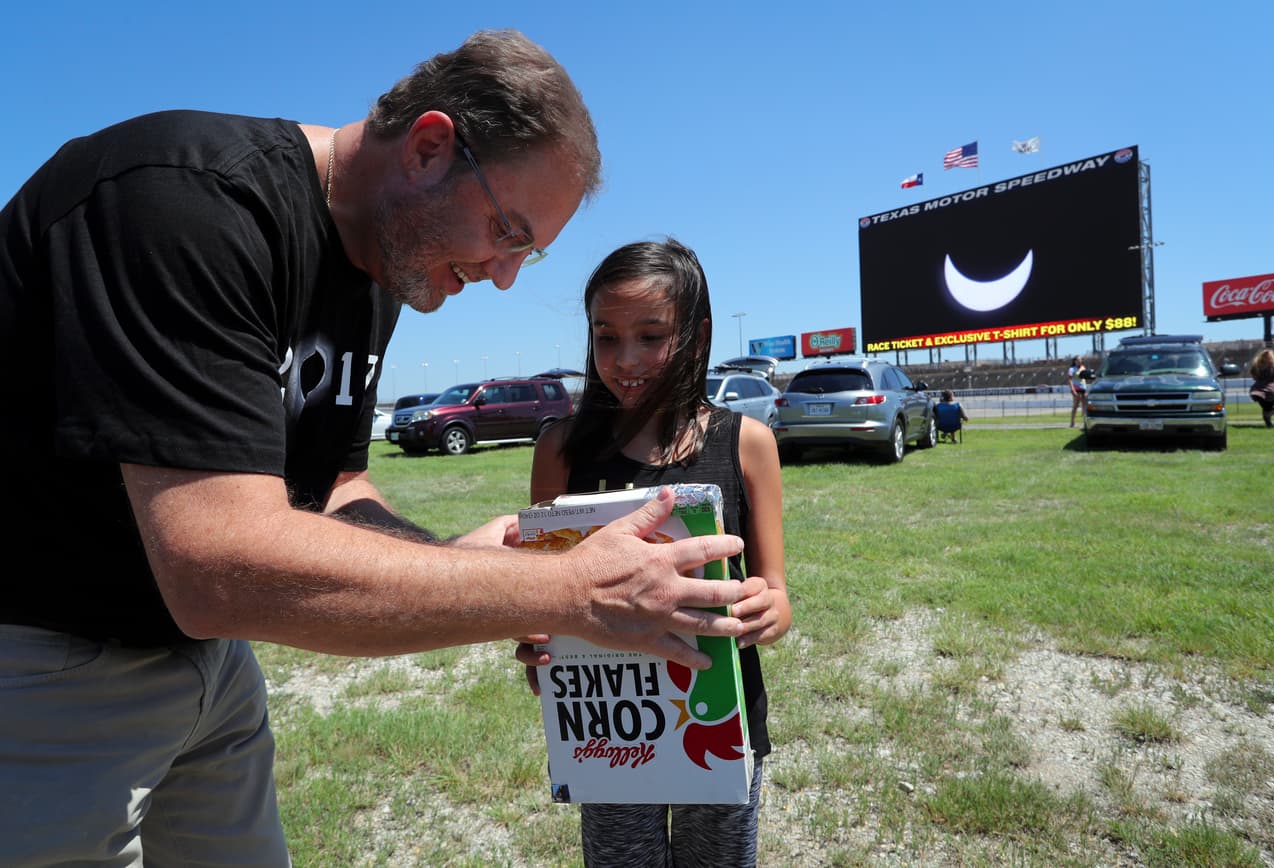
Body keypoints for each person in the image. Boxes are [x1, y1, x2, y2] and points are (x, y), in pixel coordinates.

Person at [0, 32, 760, 865]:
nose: (505, 274)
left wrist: (460, 561)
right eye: (506, 231)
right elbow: (213, 563)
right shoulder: (191, 202)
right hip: (46, 656)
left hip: (209, 666)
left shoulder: (378, 271)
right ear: (429, 148)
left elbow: (335, 486)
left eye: (527, 251)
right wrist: (568, 589)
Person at [516, 239, 791, 867]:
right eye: (606, 337)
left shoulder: (747, 444)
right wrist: (539, 645)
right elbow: (544, 594)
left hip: (715, 718)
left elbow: (776, 592)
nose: (625, 359)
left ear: (697, 337)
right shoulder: (560, 451)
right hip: (608, 723)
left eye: (651, 335)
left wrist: (767, 610)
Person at [1248, 347, 1274, 428]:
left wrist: (1260, 380)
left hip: (1259, 391)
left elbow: (1253, 376)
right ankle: (1268, 415)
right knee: (1268, 408)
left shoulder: (1257, 366)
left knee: (1266, 407)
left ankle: (1268, 421)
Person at [1067, 355, 1090, 427]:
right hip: (1076, 388)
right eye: (1078, 360)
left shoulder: (1083, 368)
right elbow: (1070, 380)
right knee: (1076, 405)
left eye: (1080, 360)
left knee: (1085, 406)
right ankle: (1072, 422)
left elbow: (1085, 379)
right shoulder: (1071, 369)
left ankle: (1085, 422)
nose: (1080, 361)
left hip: (1083, 388)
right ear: (1075, 361)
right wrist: (1073, 390)